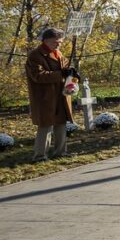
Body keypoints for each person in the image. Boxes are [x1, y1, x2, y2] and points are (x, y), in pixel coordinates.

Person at [25, 27, 75, 161]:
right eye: (55, 42)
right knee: (45, 126)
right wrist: (61, 74)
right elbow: (38, 76)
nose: (58, 44)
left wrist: (72, 74)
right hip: (45, 97)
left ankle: (60, 152)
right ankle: (40, 155)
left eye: (60, 42)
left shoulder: (59, 54)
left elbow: (65, 71)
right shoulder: (35, 55)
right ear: (46, 41)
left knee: (61, 124)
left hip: (61, 95)